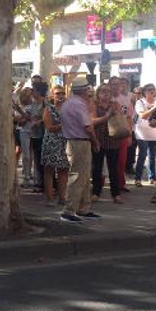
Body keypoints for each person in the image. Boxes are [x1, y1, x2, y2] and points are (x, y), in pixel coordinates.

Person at [59, 76, 100, 223]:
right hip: (80, 142)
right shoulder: (79, 105)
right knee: (77, 177)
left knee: (83, 177)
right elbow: (88, 126)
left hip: (72, 141)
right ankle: (69, 211)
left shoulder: (68, 103)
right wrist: (95, 142)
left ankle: (83, 208)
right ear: (85, 90)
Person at [91, 85, 123, 203]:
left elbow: (121, 119)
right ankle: (95, 192)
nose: (106, 94)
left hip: (113, 140)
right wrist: (106, 116)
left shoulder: (115, 104)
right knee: (97, 168)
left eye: (108, 91)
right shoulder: (94, 105)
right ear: (98, 93)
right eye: (103, 91)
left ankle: (116, 194)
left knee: (113, 168)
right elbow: (92, 121)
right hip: (98, 139)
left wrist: (116, 113)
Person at [41, 85, 69, 206]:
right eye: (57, 93)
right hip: (51, 142)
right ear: (53, 95)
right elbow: (49, 127)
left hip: (65, 142)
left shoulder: (68, 109)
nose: (60, 96)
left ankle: (62, 197)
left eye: (62, 93)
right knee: (49, 170)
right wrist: (66, 124)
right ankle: (50, 198)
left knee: (63, 170)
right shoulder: (48, 109)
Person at [134, 83, 156, 187]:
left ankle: (152, 177)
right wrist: (154, 107)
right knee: (142, 155)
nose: (152, 91)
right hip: (142, 134)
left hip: (155, 133)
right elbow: (143, 116)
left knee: (152, 157)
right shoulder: (140, 102)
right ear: (144, 92)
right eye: (149, 90)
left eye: (153, 89)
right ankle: (138, 178)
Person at [109, 76, 134, 191]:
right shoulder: (105, 99)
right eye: (113, 84)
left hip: (122, 132)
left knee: (121, 160)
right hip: (107, 133)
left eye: (118, 84)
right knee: (109, 161)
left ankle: (121, 184)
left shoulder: (126, 99)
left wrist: (129, 134)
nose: (116, 86)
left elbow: (129, 117)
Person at [25, 82, 48, 192]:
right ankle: (39, 182)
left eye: (33, 90)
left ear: (38, 91)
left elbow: (47, 117)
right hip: (34, 135)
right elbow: (30, 118)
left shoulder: (46, 103)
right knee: (37, 159)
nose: (32, 92)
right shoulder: (33, 104)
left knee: (43, 160)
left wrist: (39, 122)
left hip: (43, 135)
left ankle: (44, 183)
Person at [15, 87, 35, 187]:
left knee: (30, 155)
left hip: (31, 132)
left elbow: (23, 120)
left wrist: (20, 115)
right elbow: (22, 121)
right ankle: (27, 176)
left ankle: (29, 175)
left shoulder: (33, 106)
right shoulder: (25, 107)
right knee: (27, 155)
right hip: (25, 132)